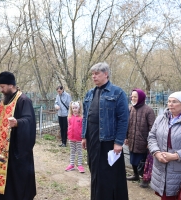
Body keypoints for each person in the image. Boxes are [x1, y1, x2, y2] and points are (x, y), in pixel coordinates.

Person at [0, 71, 36, 200]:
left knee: (17, 180)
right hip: (2, 150)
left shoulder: (23, 100)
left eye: (3, 87)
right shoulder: (3, 101)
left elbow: (29, 120)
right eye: (0, 87)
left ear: (11, 85)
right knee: (5, 182)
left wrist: (18, 122)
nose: (1, 90)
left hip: (17, 149)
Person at [82, 62, 129, 200]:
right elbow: (86, 116)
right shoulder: (89, 94)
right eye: (92, 74)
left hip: (109, 141)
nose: (94, 77)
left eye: (97, 74)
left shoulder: (118, 93)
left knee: (109, 175)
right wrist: (84, 136)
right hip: (92, 139)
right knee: (95, 172)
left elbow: (123, 119)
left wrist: (119, 142)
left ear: (106, 74)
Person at [148, 91, 181, 200]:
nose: (170, 104)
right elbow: (152, 136)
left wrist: (175, 156)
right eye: (169, 101)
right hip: (161, 169)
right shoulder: (161, 118)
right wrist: (156, 152)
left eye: (174, 102)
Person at [124, 89, 156, 186]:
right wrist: (126, 137)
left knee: (143, 161)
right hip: (132, 139)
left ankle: (145, 178)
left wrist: (149, 142)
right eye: (132, 96)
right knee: (133, 159)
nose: (133, 98)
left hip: (143, 141)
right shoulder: (130, 109)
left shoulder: (148, 110)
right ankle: (135, 175)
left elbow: (153, 128)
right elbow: (126, 124)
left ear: (141, 98)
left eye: (135, 97)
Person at [65, 101, 84, 173]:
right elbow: (69, 126)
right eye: (73, 108)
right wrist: (68, 135)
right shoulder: (69, 117)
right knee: (72, 151)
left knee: (79, 151)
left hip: (79, 138)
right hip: (71, 137)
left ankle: (79, 165)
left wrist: (83, 137)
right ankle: (71, 164)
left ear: (79, 108)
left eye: (76, 108)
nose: (74, 109)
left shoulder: (81, 117)